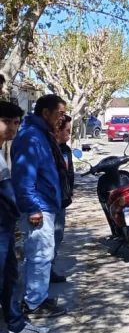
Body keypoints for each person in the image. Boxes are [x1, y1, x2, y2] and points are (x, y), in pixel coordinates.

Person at [11, 94, 69, 318]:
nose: (62, 119)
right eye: (60, 114)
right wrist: (32, 207)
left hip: (45, 204)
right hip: (38, 206)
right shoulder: (31, 137)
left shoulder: (41, 134)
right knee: (39, 256)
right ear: (46, 113)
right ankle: (34, 303)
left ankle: (36, 296)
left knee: (40, 255)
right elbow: (24, 177)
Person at [0, 101, 50, 333]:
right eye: (7, 122)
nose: (12, 128)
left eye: (16, 122)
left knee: (9, 277)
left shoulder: (2, 150)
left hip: (5, 226)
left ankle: (17, 326)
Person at [51, 115, 73, 284]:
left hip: (62, 200)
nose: (70, 134)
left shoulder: (65, 149)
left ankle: (49, 268)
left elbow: (69, 172)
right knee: (44, 240)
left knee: (57, 235)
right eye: (67, 131)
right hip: (48, 201)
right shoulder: (47, 149)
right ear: (57, 131)